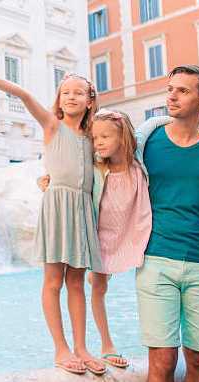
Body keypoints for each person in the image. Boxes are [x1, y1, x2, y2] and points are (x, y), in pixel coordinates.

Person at [0, 56, 106, 375]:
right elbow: (24, 95)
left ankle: (82, 347)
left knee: (77, 281)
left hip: (82, 208)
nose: (71, 96)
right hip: (57, 205)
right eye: (65, 92)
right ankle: (61, 348)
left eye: (78, 92)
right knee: (54, 280)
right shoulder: (52, 125)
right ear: (59, 99)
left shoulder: (93, 136)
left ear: (89, 100)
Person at [40, 108, 152, 369]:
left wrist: (174, 118)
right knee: (99, 288)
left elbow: (150, 125)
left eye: (104, 137)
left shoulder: (138, 160)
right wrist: (47, 181)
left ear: (123, 137)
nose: (98, 142)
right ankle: (106, 344)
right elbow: (67, 172)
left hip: (128, 232)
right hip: (98, 237)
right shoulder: (96, 167)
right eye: (94, 138)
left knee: (141, 280)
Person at [135, 65, 199, 382]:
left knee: (198, 361)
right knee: (162, 362)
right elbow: (105, 162)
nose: (172, 95)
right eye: (170, 89)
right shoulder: (148, 140)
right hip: (155, 259)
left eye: (182, 90)